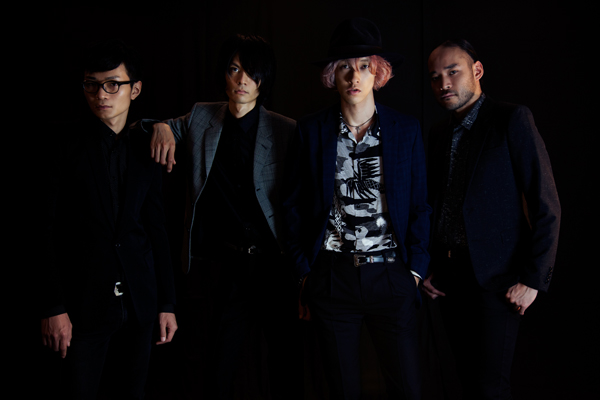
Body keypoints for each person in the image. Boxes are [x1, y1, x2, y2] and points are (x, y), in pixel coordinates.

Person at [146, 34, 302, 399]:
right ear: (224, 74)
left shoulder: (286, 130)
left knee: (285, 364)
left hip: (274, 266)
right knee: (218, 366)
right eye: (234, 69)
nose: (242, 80)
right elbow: (157, 126)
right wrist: (160, 126)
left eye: (252, 72)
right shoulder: (202, 117)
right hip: (226, 268)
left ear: (264, 79)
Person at [282, 18, 430, 400]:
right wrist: (304, 275)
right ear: (333, 74)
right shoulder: (310, 130)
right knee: (342, 390)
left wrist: (415, 272)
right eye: (345, 67)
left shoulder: (406, 129)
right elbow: (292, 205)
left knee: (408, 390)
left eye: (364, 66)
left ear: (378, 72)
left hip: (391, 275)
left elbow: (420, 204)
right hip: (332, 278)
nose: (354, 76)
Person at [39, 39, 177, 400]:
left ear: (136, 89)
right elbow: (43, 230)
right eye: (92, 84)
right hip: (80, 310)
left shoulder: (148, 147)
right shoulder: (61, 145)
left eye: (113, 84)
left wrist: (167, 303)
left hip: (140, 305)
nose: (101, 94)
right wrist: (53, 306)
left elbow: (157, 229)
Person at [423, 39, 561, 399]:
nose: (444, 84)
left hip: (498, 281)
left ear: (477, 70)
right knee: (464, 382)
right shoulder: (438, 133)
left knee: (490, 389)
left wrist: (533, 280)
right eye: (435, 77)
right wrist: (429, 266)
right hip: (449, 279)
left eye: (453, 72)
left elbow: (546, 203)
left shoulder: (511, 119)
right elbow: (434, 204)